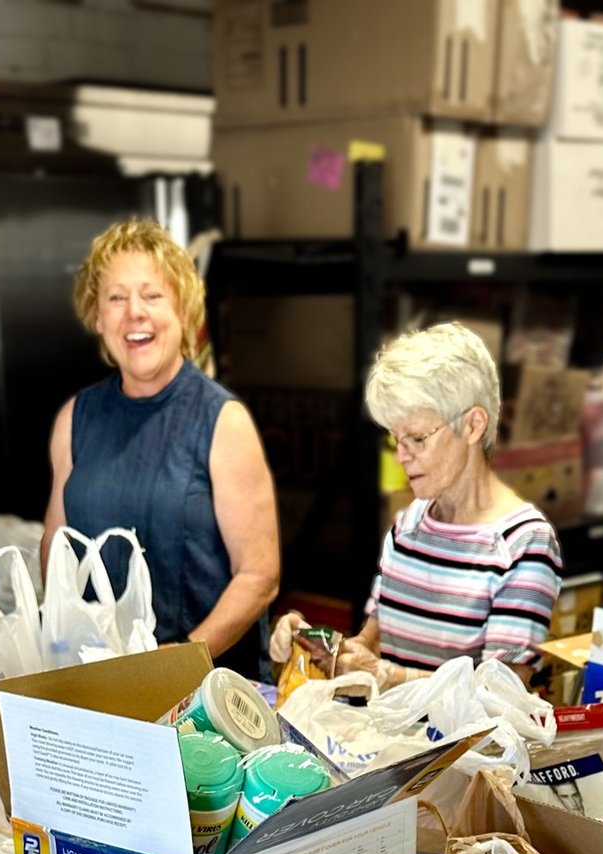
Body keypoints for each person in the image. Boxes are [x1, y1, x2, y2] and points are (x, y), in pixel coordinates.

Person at [42, 219, 279, 679]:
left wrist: (178, 661)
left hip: (208, 689)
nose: (135, 313)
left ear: (184, 311)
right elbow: (57, 543)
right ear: (97, 316)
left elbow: (258, 576)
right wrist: (64, 639)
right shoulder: (76, 418)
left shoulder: (222, 421)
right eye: (116, 298)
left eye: (152, 296)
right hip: (103, 678)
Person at [272, 323, 562, 687]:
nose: (401, 458)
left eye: (417, 439)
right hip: (392, 740)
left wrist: (390, 677)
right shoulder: (408, 526)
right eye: (397, 441)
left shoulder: (524, 543)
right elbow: (369, 647)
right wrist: (317, 645)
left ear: (473, 426)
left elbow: (501, 692)